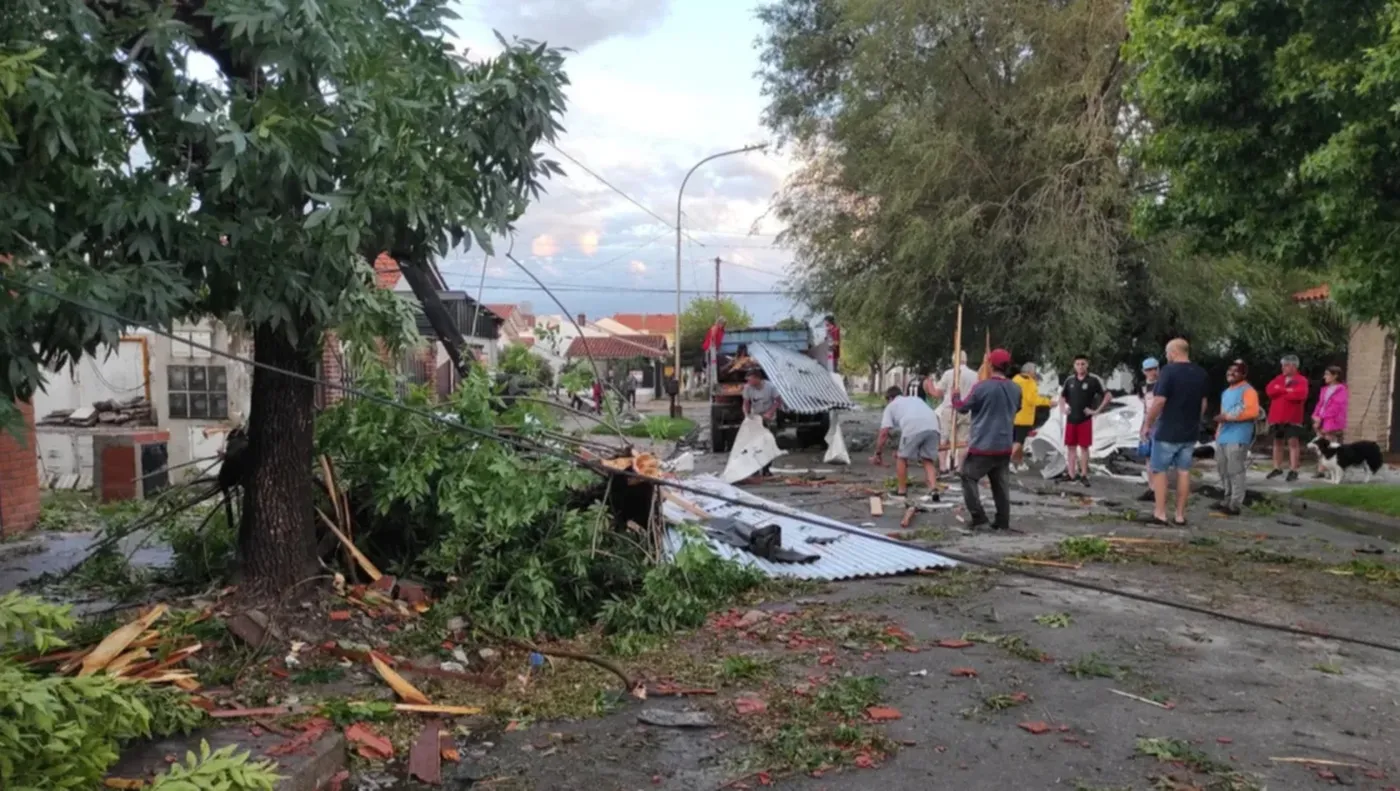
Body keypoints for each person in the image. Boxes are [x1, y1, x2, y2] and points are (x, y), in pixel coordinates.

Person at [1140, 338, 1209, 526]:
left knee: (1159, 471)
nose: (1167, 356)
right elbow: (1203, 403)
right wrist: (1195, 421)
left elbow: (1160, 401)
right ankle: (1179, 515)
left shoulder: (1168, 371)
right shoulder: (1200, 373)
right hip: (1189, 432)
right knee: (1184, 472)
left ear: (1174, 352)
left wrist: (1148, 424)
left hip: (1167, 430)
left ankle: (1160, 513)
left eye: (1167, 352)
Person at [952, 348, 1020, 530]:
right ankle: (1002, 520)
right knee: (1000, 484)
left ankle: (979, 518)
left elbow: (961, 407)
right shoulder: (1015, 388)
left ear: (990, 365)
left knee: (967, 476)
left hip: (983, 444)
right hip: (1005, 444)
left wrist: (955, 396)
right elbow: (1017, 408)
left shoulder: (982, 387)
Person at [870, 386, 942, 501]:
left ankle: (902, 491)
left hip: (913, 426)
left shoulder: (891, 406)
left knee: (901, 458)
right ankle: (933, 489)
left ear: (889, 398)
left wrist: (878, 453)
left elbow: (884, 433)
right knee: (927, 460)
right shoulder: (915, 399)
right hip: (933, 426)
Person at [1213, 360, 1260, 516]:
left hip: (1239, 435)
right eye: (1229, 371)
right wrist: (1218, 430)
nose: (1231, 374)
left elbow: (1252, 412)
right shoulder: (1226, 392)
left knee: (1235, 469)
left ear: (1243, 374)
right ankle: (1226, 498)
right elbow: (1223, 413)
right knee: (1222, 468)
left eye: (1235, 371)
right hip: (1224, 435)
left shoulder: (1248, 391)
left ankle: (1235, 503)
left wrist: (1227, 417)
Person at [1059, 355, 1109, 486]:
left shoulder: (1093, 380)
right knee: (1070, 447)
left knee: (1084, 448)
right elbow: (1062, 396)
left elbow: (1107, 396)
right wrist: (1063, 409)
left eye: (1082, 364)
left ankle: (1084, 475)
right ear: (1074, 365)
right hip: (1071, 419)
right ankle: (1071, 474)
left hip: (1085, 419)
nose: (1080, 366)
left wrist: (1096, 411)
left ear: (1087, 365)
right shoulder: (1069, 380)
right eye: (1077, 364)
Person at [928, 351, 979, 474]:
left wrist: (929, 384)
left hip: (950, 409)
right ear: (966, 360)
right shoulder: (974, 375)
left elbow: (938, 393)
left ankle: (943, 467)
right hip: (967, 410)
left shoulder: (949, 373)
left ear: (953, 360)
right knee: (963, 440)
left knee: (944, 439)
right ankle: (960, 468)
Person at [1265, 354, 1310, 482]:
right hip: (1276, 416)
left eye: (1286, 365)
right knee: (1277, 442)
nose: (1283, 368)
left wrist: (1282, 391)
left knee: (1293, 443)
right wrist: (1286, 390)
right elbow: (1270, 390)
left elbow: (1299, 395)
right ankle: (1276, 467)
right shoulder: (1278, 378)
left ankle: (1293, 469)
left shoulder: (1301, 380)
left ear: (1293, 366)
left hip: (1292, 417)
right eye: (1283, 365)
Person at [1011, 362, 1052, 471]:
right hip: (1024, 417)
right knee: (1019, 443)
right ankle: (1008, 462)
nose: (1035, 373)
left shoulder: (1015, 379)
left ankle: (1019, 463)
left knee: (1015, 441)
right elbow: (1033, 399)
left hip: (1013, 416)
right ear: (1030, 371)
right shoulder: (1030, 382)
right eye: (1034, 371)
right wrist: (1048, 402)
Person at [741, 369, 782, 477]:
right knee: (754, 444)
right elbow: (746, 402)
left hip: (768, 416)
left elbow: (778, 401)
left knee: (768, 444)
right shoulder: (748, 388)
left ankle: (766, 469)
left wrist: (770, 412)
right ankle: (754, 469)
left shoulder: (770, 387)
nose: (749, 383)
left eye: (751, 380)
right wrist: (746, 414)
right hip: (756, 416)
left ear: (757, 379)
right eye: (748, 381)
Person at [1135, 357, 1161, 503]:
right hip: (1147, 424)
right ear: (1144, 372)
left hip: (1161, 423)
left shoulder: (1163, 384)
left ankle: (1159, 488)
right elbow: (1142, 405)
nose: (1152, 372)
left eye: (1154, 369)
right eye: (1148, 370)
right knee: (1147, 456)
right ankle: (1151, 487)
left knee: (1159, 456)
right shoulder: (1142, 386)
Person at [1312, 365, 1348, 446]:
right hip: (1321, 420)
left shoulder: (1341, 389)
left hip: (1332, 420)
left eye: (1327, 374)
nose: (1324, 377)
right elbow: (1320, 404)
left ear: (1335, 376)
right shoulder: (1325, 389)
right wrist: (1315, 416)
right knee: (1320, 444)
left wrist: (1321, 418)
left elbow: (1335, 407)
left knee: (1329, 444)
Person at [702, 316, 727, 385]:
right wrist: (713, 348)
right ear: (719, 323)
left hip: (714, 349)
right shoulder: (715, 328)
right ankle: (712, 381)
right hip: (710, 349)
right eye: (723, 323)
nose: (723, 325)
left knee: (717, 364)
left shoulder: (722, 330)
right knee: (712, 364)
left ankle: (716, 379)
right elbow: (712, 338)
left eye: (724, 324)